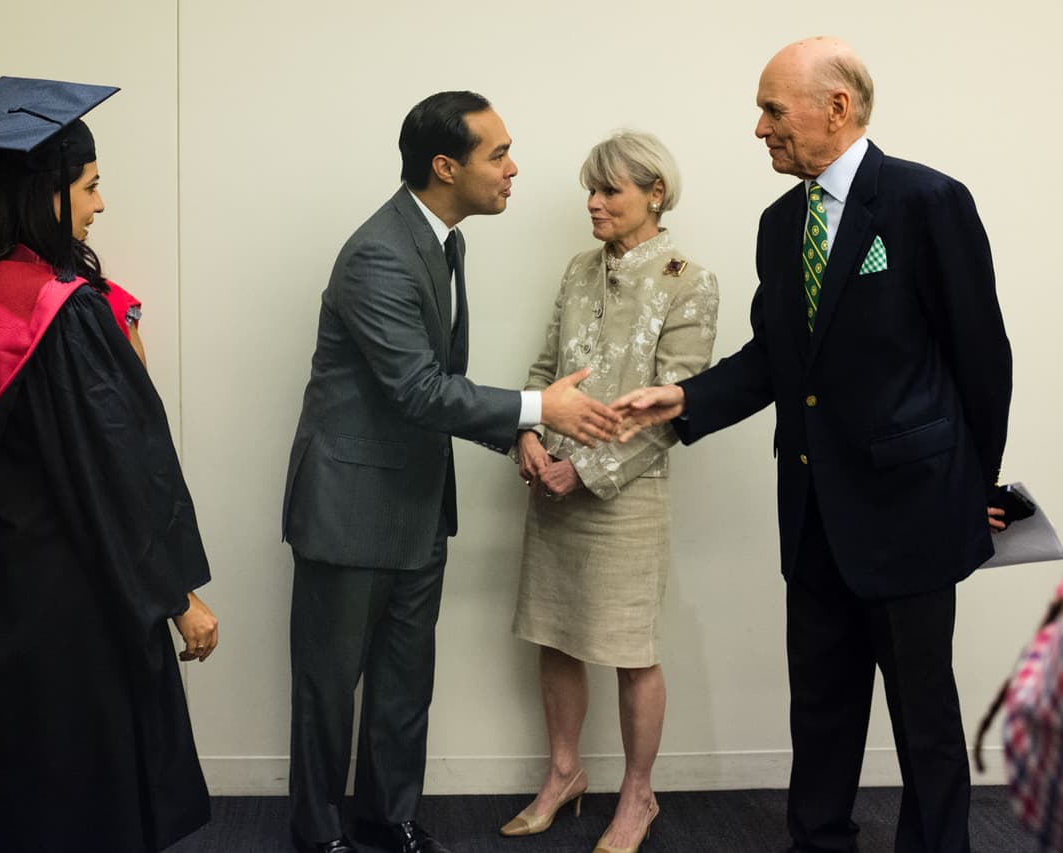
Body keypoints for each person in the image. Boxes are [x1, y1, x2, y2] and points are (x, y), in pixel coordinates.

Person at [614, 38, 1012, 853]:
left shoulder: (927, 201)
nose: (759, 127)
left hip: (913, 512)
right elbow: (775, 356)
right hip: (814, 512)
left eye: (771, 108)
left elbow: (982, 358)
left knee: (923, 718)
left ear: (837, 107)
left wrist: (977, 490)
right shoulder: (781, 222)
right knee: (821, 710)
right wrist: (684, 398)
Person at [0, 77, 219, 852]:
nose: (99, 204)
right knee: (74, 791)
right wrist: (176, 594)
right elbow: (115, 469)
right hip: (64, 609)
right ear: (44, 193)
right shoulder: (60, 312)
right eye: (90, 186)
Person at [282, 91, 621, 853]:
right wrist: (540, 409)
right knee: (328, 692)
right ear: (445, 167)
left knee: (405, 683)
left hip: (417, 507)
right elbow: (415, 388)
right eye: (497, 154)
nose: (513, 168)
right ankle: (317, 835)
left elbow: (440, 383)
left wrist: (514, 437)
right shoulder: (378, 253)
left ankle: (386, 817)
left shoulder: (444, 241)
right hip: (348, 507)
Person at [502, 131, 718, 853]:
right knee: (555, 634)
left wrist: (587, 470)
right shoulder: (576, 269)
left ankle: (638, 792)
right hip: (550, 483)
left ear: (655, 193)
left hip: (626, 495)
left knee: (632, 648)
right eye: (589, 191)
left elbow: (674, 410)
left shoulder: (690, 279)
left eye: (610, 191)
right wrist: (527, 437)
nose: (592, 203)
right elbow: (543, 362)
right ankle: (564, 772)